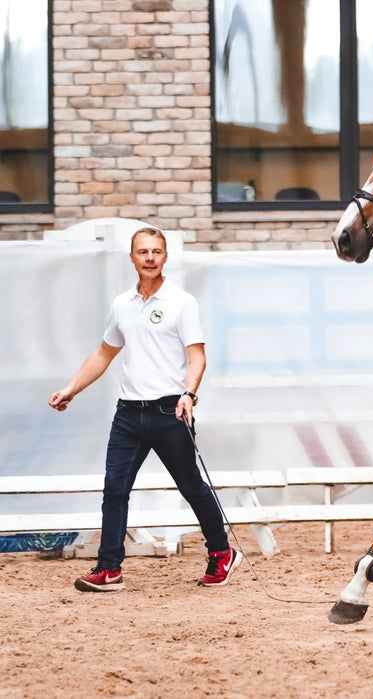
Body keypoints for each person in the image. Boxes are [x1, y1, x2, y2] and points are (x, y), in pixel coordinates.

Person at [48, 226, 241, 592]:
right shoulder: (122, 304)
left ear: (165, 257)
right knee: (114, 490)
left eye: (156, 251)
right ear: (132, 258)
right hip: (128, 414)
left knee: (191, 487)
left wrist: (189, 394)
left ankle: (221, 552)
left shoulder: (181, 302)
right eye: (143, 252)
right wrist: (70, 389)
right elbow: (104, 352)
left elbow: (196, 356)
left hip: (171, 410)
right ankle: (109, 569)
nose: (150, 258)